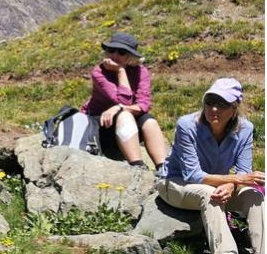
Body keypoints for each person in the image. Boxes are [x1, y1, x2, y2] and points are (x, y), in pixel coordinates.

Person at [157, 78, 263, 254]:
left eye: (222, 104)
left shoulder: (246, 129)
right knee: (209, 194)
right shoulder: (187, 125)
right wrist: (236, 179)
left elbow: (244, 170)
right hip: (175, 184)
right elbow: (192, 175)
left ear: (234, 109)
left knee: (254, 195)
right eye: (210, 102)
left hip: (218, 185)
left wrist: (232, 185)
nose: (214, 109)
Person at [80, 32, 167, 169]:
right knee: (125, 115)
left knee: (149, 121)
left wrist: (118, 108)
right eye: (111, 50)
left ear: (129, 57)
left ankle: (163, 168)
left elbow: (144, 104)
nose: (114, 55)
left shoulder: (141, 72)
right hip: (100, 126)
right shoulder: (99, 72)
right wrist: (120, 71)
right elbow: (124, 101)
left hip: (125, 126)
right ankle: (137, 166)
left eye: (121, 52)